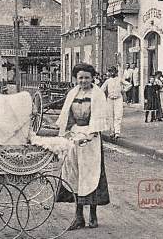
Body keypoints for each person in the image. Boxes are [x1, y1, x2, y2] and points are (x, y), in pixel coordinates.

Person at [56, 63, 110, 230]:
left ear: (93, 77)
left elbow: (99, 118)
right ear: (76, 79)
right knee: (75, 175)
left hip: (91, 137)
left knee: (91, 175)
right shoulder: (72, 93)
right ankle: (78, 217)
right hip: (75, 136)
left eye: (87, 77)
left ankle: (93, 215)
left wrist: (90, 134)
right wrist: (67, 134)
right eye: (80, 77)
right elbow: (68, 117)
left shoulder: (98, 94)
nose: (84, 80)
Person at [100, 66, 124, 139]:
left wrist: (123, 90)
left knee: (118, 115)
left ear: (116, 72)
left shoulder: (119, 79)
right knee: (110, 116)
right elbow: (101, 89)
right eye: (111, 72)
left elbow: (129, 85)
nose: (112, 73)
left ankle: (117, 132)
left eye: (113, 71)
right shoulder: (108, 81)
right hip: (110, 99)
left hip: (118, 99)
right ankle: (112, 131)